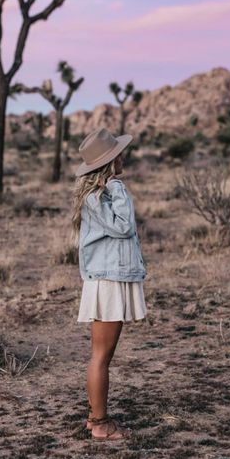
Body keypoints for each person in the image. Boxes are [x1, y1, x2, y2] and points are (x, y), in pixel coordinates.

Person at [71, 127, 148, 442]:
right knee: (101, 356)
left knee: (102, 354)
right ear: (110, 161)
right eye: (118, 153)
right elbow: (124, 226)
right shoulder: (106, 191)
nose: (124, 156)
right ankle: (101, 424)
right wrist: (117, 186)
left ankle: (94, 418)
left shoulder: (95, 194)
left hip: (109, 276)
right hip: (108, 280)